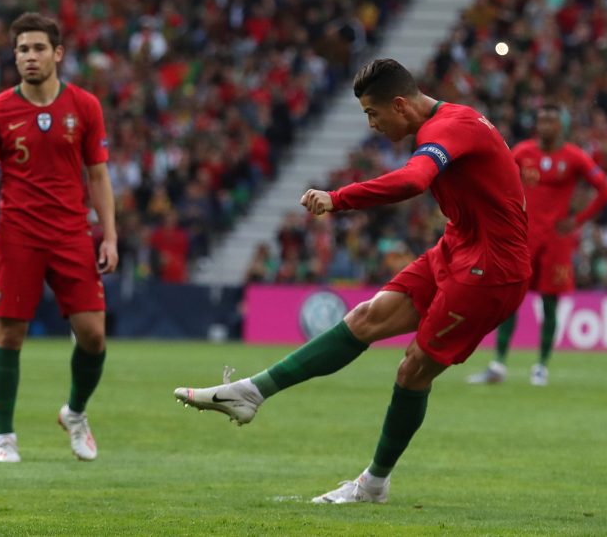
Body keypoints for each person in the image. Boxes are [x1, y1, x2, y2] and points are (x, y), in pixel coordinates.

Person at [174, 58, 531, 504]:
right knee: (367, 316)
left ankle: (372, 485)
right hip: (458, 246)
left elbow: (415, 180)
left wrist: (337, 198)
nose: (372, 124)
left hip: (491, 270)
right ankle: (250, 392)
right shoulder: (443, 123)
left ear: (399, 105)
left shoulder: (449, 128)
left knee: (414, 368)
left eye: (372, 113)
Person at [0, 13, 117, 463]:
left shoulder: (85, 106)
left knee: (93, 336)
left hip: (71, 232)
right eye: (23, 50)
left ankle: (75, 412)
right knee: (9, 335)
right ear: (15, 57)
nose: (30, 56)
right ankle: (4, 439)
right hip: (18, 235)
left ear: (58, 53)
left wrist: (109, 236)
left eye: (38, 48)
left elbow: (99, 176)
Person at [468, 104, 607, 386]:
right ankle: (498, 364)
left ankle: (541, 366)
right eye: (541, 121)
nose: (544, 126)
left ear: (561, 126)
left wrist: (577, 220)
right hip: (523, 239)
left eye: (550, 121)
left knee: (549, 303)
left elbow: (605, 189)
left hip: (557, 242)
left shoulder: (575, 157)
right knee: (510, 300)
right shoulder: (523, 152)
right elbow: (498, 179)